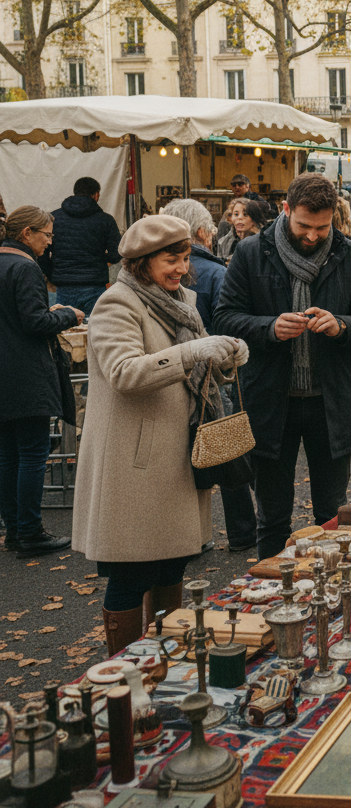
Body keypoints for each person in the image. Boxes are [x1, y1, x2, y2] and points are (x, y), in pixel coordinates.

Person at [72, 215, 248, 653]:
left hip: (176, 456)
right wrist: (192, 351)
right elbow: (124, 373)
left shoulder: (181, 300)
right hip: (134, 463)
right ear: (142, 261)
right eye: (172, 260)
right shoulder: (116, 303)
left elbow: (199, 369)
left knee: (173, 565)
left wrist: (226, 358)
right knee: (131, 573)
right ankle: (123, 668)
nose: (182, 269)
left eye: (185, 258)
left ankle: (164, 659)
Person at [214, 173, 351, 560]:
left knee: (331, 515)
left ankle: (331, 586)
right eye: (304, 226)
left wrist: (342, 325)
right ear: (286, 209)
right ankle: (270, 588)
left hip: (331, 402)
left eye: (322, 228)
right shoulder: (250, 253)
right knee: (272, 518)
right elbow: (224, 318)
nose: (312, 236)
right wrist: (269, 328)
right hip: (270, 401)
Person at [162, 198, 258, 552]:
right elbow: (228, 323)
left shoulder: (160, 277)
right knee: (227, 448)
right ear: (203, 232)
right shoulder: (216, 272)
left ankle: (191, 537)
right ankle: (243, 533)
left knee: (182, 458)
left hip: (171, 376)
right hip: (211, 376)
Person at [0, 206, 83, 557]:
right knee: (33, 453)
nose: (49, 242)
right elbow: (34, 323)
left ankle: (15, 530)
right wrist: (68, 315)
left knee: (7, 454)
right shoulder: (25, 267)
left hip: (5, 372)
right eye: (47, 235)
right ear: (27, 233)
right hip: (26, 374)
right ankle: (30, 532)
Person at [39, 176, 121, 315]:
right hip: (95, 285)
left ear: (75, 192)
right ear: (96, 195)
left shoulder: (53, 218)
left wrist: (53, 274)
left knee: (65, 325)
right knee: (95, 325)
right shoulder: (106, 220)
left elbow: (42, 254)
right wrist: (99, 260)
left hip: (64, 286)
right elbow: (116, 253)